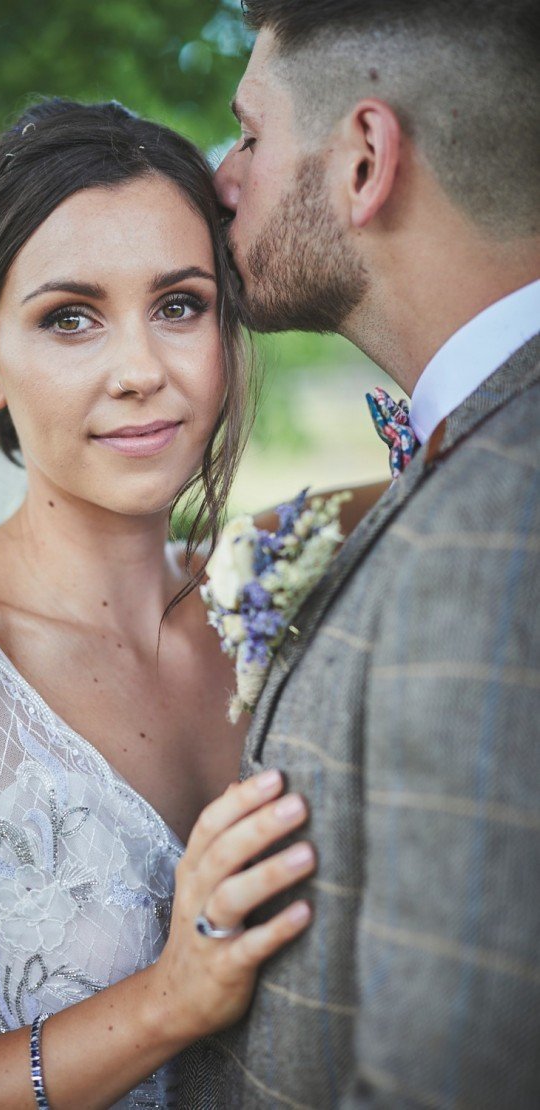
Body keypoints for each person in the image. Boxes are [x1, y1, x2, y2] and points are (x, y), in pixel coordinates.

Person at [0, 99, 325, 1109]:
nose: (141, 372)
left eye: (179, 305)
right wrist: (167, 1003)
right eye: (70, 318)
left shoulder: (266, 594)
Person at [178, 1, 540, 1107]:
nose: (221, 177)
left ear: (365, 161)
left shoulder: (495, 519)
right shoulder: (476, 452)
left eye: (249, 134)